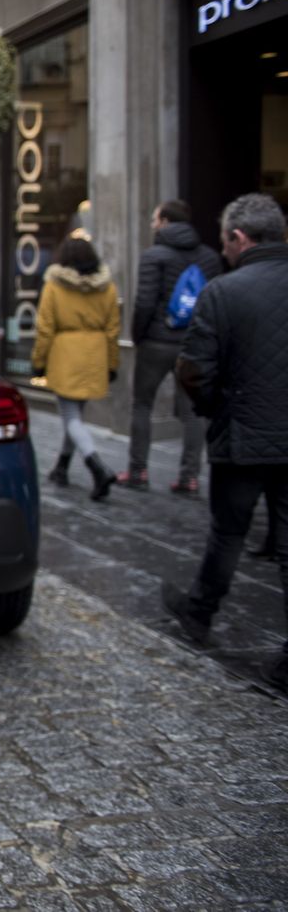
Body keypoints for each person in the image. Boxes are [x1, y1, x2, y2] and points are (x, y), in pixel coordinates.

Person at [162, 193, 288, 690]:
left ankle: (200, 610)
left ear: (239, 238)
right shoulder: (225, 288)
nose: (224, 250)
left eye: (225, 242)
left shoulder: (222, 292)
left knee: (229, 531)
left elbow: (192, 370)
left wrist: (216, 406)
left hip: (243, 437)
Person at [120, 200, 223, 493]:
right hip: (193, 343)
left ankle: (138, 472)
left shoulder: (154, 255)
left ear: (165, 221)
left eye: (155, 219)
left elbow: (144, 303)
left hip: (156, 342)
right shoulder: (210, 258)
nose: (152, 224)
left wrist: (138, 337)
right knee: (192, 411)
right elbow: (215, 303)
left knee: (142, 405)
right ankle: (190, 477)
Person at [32, 235, 120, 501]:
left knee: (71, 418)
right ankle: (62, 466)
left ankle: (97, 466)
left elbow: (45, 327)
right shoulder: (107, 288)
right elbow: (113, 329)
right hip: (95, 353)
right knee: (75, 418)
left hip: (65, 354)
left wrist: (38, 362)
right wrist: (112, 363)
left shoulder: (55, 285)